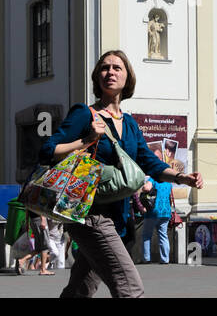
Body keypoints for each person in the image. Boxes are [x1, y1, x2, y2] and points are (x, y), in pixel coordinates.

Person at [39, 49, 203, 297]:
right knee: (130, 288)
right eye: (105, 68)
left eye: (117, 68)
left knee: (80, 289)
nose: (110, 72)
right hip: (90, 214)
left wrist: (182, 178)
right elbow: (48, 150)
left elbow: (148, 162)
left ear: (128, 77)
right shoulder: (85, 113)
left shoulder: (129, 123)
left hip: (119, 219)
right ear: (97, 77)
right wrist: (86, 139)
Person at [141, 176, 174, 265]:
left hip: (153, 211)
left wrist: (142, 188)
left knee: (147, 235)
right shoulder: (168, 182)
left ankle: (146, 258)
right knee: (163, 235)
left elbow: (146, 188)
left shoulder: (153, 179)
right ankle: (165, 259)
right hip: (166, 211)